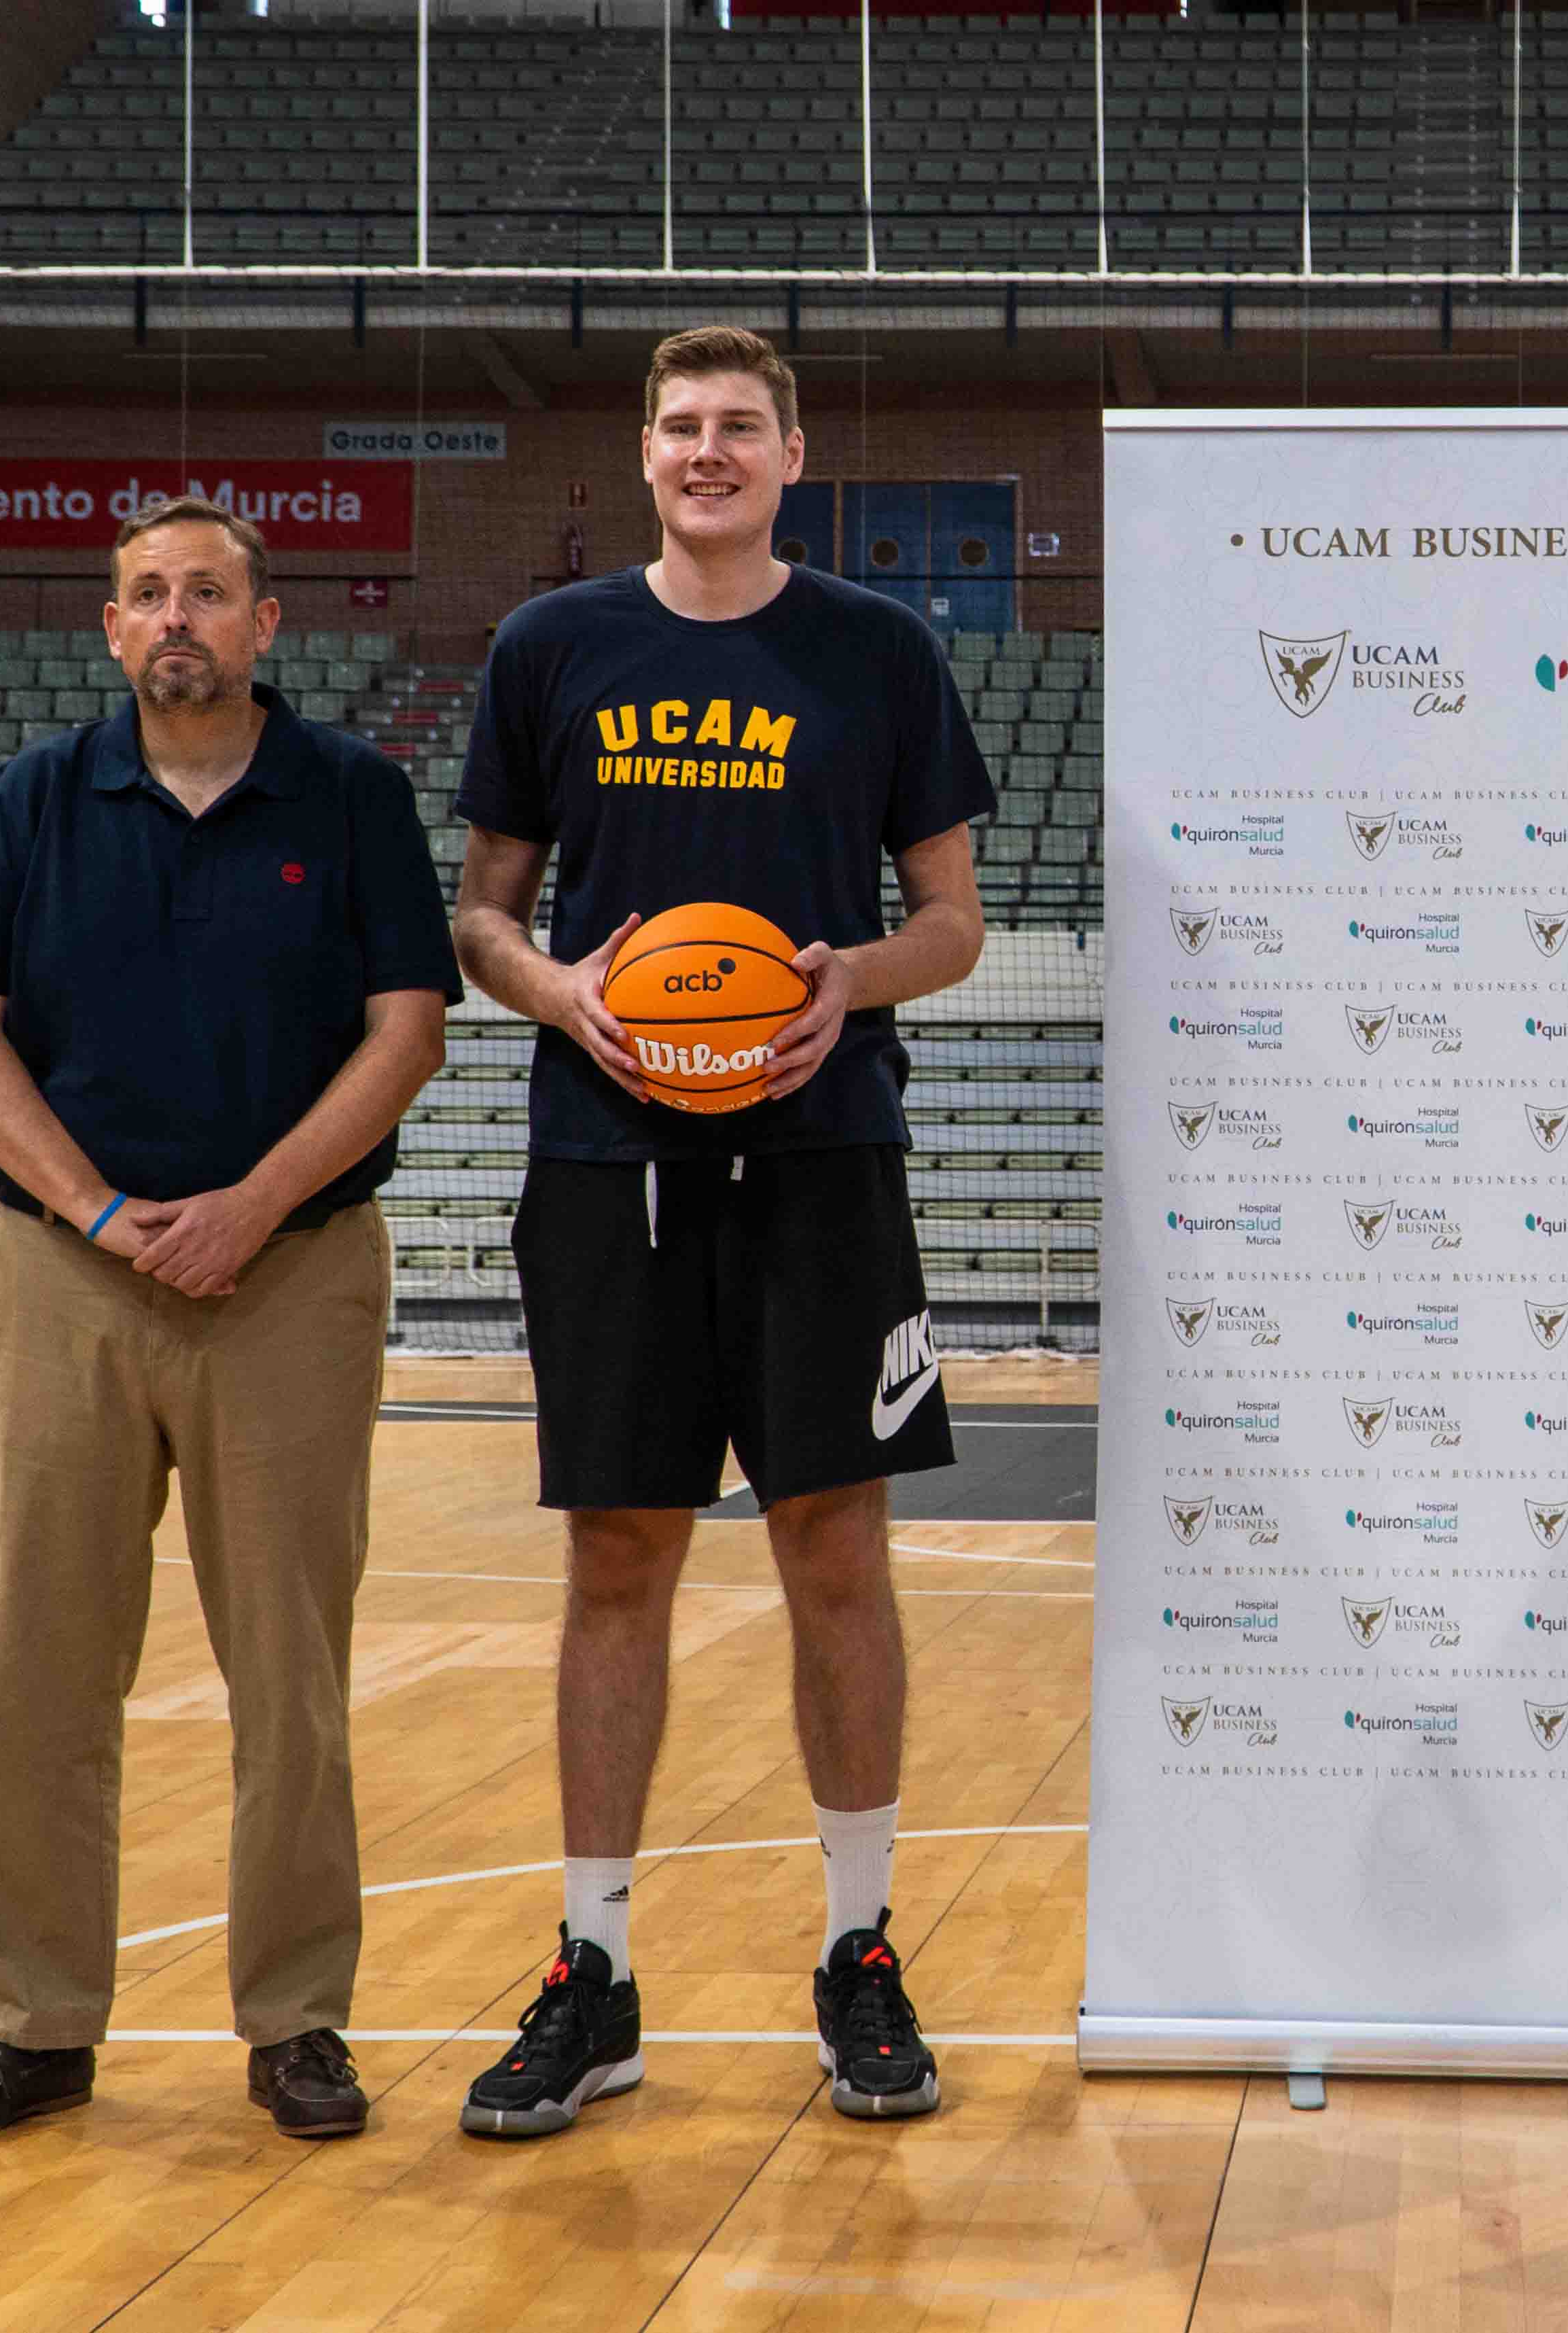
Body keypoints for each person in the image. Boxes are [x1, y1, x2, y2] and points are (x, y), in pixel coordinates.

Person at [448, 324, 994, 2137]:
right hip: (612, 1156)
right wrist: (559, 992)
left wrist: (853, 977)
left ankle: (857, 1951)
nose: (706, 452)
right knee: (621, 1553)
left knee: (836, 1547)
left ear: (791, 452)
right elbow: (482, 915)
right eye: (680, 427)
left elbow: (953, 921)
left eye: (737, 428)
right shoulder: (552, 647)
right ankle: (590, 1967)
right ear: (645, 453)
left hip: (824, 1144)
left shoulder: (877, 650)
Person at [0, 496, 457, 2147]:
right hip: (70, 1275)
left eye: (208, 591)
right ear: (112, 625)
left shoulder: (348, 796)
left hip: (288, 1275)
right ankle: (34, 2022)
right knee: (43, 1668)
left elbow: (407, 1028)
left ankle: (298, 2021)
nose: (177, 617)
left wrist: (251, 1206)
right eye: (148, 594)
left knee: (290, 1673)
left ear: (267, 623)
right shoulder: (33, 797)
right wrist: (104, 1212)